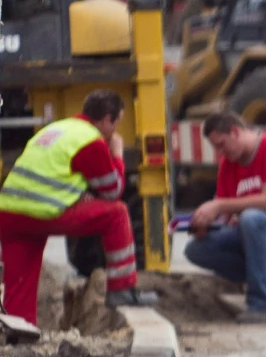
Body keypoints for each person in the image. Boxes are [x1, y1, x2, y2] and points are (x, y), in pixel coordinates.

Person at [0, 90, 155, 324]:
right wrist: (117, 155)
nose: (115, 131)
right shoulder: (90, 140)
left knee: (20, 286)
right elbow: (113, 191)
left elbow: (55, 172)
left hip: (10, 214)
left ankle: (19, 334)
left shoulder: (56, 130)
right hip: (44, 211)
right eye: (116, 123)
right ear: (105, 120)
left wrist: (78, 193)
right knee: (117, 213)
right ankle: (123, 288)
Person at [183, 112, 266, 323]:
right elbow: (225, 217)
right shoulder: (229, 164)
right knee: (196, 249)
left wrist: (218, 204)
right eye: (215, 148)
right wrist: (206, 224)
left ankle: (263, 304)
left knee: (252, 218)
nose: (220, 153)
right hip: (251, 235)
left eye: (221, 145)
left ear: (235, 132)